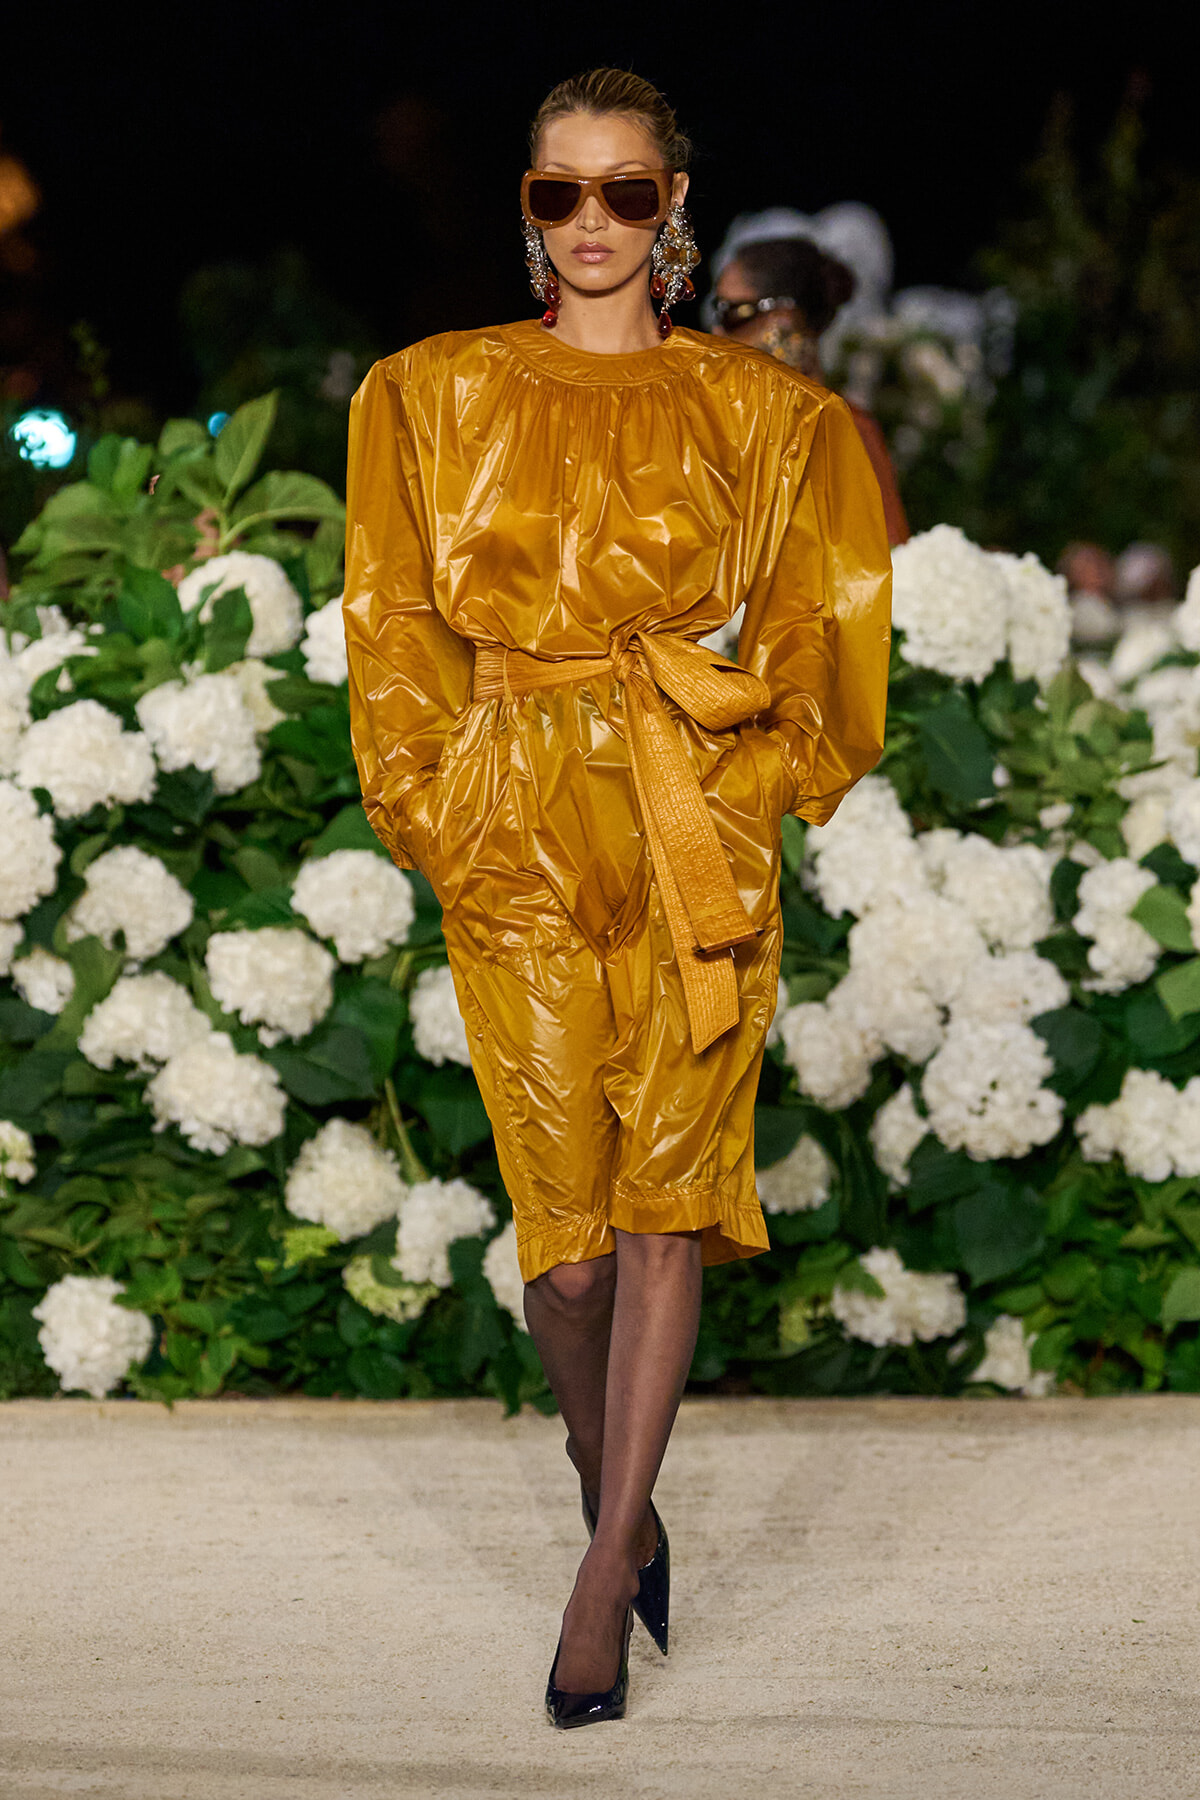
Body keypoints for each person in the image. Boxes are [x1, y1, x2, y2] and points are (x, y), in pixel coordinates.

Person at [342, 68, 891, 1729]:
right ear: (527, 211)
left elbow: (829, 612)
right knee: (565, 1256)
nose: (591, 224)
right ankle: (617, 1484)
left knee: (664, 1201)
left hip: (687, 817)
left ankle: (598, 1588)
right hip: (514, 812)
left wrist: (764, 776)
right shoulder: (424, 396)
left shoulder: (766, 414)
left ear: (675, 213)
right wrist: (438, 803)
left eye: (625, 195)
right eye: (558, 195)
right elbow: (389, 623)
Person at [712, 236, 910, 546]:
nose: (717, 330)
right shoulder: (719, 420)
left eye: (732, 312)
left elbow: (890, 556)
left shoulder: (843, 431)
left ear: (782, 318)